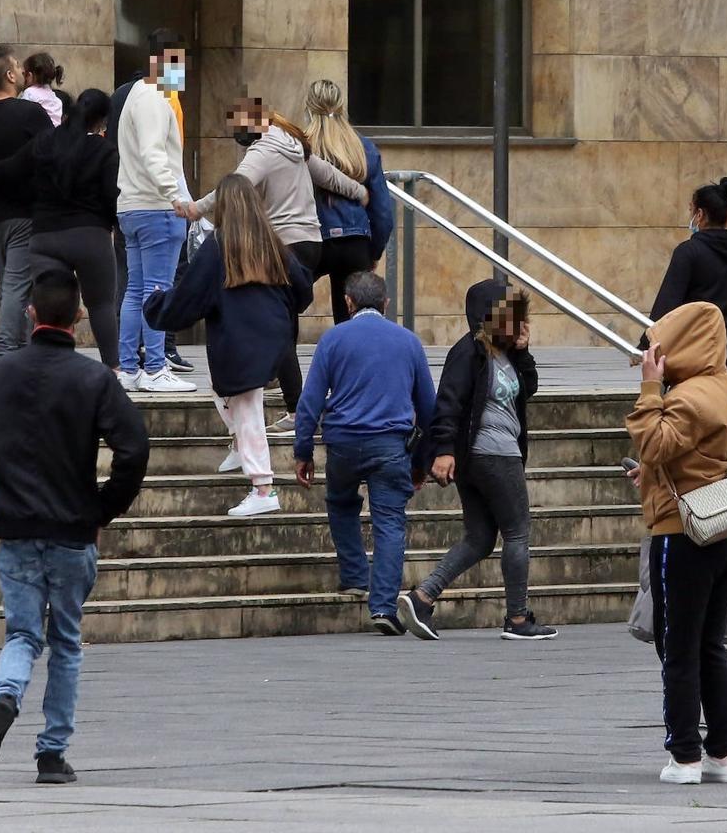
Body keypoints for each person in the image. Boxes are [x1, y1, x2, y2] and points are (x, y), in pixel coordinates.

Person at [0, 268, 149, 783]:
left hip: (18, 528)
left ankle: (4, 697)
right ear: (80, 318)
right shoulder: (93, 379)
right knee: (65, 640)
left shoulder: (1, 374)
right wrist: (101, 509)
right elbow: (134, 448)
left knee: (22, 635)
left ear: (30, 314)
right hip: (71, 529)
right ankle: (51, 752)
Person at [190, 95, 369, 434]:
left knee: (279, 327)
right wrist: (358, 192)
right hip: (312, 243)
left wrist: (194, 208)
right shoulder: (294, 143)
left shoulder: (263, 151)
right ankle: (283, 387)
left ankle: (297, 408)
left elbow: (233, 188)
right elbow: (328, 176)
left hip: (285, 245)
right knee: (282, 321)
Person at [626, 302, 727, 786]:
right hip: (726, 527)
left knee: (678, 646)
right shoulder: (726, 390)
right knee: (710, 644)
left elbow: (654, 444)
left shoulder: (686, 398)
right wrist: (652, 473)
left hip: (684, 532)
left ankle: (685, 756)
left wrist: (650, 388)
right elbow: (694, 457)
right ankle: (723, 752)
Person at [399, 280, 559, 642]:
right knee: (517, 531)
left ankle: (422, 598)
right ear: (488, 315)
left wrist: (523, 351)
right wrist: (443, 450)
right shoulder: (469, 352)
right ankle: (518, 618)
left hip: (492, 454)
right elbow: (448, 403)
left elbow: (528, 389)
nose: (517, 322)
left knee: (480, 537)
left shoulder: (505, 354)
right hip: (491, 454)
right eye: (509, 315)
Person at [146, 174, 312, 516]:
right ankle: (240, 445)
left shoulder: (219, 246)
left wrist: (156, 305)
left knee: (247, 408)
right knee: (224, 394)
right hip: (274, 337)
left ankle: (263, 488)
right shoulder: (273, 244)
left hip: (239, 342)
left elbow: (190, 296)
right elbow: (303, 289)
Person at [293, 272, 435, 634]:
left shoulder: (333, 339)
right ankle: (384, 607)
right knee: (390, 522)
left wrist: (303, 451)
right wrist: (421, 463)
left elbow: (309, 402)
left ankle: (355, 574)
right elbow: (429, 410)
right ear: (386, 305)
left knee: (341, 502)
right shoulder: (409, 342)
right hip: (391, 445)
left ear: (348, 302)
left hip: (342, 442)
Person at [0, 89, 122, 370]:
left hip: (45, 237)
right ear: (101, 121)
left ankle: (41, 366)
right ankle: (113, 370)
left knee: (46, 307)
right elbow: (109, 196)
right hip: (90, 237)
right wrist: (111, 224)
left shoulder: (45, 142)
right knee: (101, 305)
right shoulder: (104, 150)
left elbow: (13, 168)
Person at [107, 29, 195, 374]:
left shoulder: (135, 95)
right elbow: (153, 154)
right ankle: (156, 367)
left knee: (135, 291)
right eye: (182, 64)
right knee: (158, 291)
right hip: (156, 208)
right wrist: (175, 196)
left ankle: (129, 367)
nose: (184, 72)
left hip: (133, 205)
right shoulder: (156, 97)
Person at [642, 177, 727, 394]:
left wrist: (645, 345)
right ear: (726, 216)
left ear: (700, 215)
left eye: (691, 210)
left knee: (693, 418)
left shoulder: (688, 252)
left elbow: (667, 305)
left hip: (697, 351)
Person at [0, 44, 54, 372]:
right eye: (17, 67)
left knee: (9, 287)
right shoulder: (29, 113)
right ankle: (4, 355)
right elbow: (50, 151)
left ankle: (21, 353)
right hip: (25, 211)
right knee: (18, 286)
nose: (21, 72)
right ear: (8, 75)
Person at [304, 80, 395, 323]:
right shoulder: (362, 147)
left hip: (313, 240)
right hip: (355, 241)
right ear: (342, 106)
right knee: (352, 315)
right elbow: (383, 213)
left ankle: (283, 356)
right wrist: (373, 251)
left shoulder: (300, 145)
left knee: (284, 298)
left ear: (309, 108)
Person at [21, 51, 66, 126]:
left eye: (24, 74)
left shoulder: (30, 93)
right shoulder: (56, 100)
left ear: (29, 76)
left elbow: (21, 114)